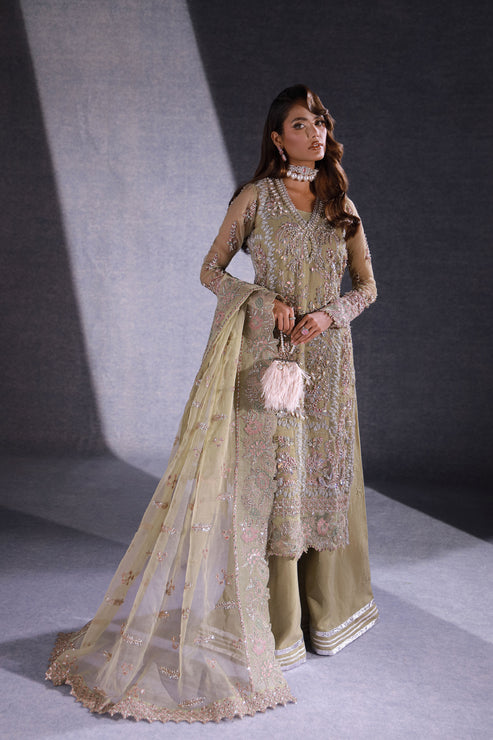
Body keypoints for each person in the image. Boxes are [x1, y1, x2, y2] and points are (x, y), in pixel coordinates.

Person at [46, 84, 378, 722]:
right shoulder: (255, 198)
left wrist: (331, 314)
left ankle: (323, 619)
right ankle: (271, 628)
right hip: (265, 362)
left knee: (319, 484)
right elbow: (211, 270)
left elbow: (367, 286)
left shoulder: (342, 204)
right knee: (269, 488)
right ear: (277, 138)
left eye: (320, 122)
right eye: (301, 124)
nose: (315, 132)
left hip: (328, 366)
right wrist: (263, 301)